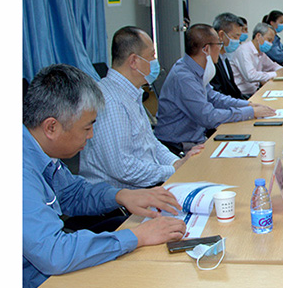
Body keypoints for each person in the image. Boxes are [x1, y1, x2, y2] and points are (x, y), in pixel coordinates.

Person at [23, 64, 187, 288]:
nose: (91, 135)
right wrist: (138, 236)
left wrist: (121, 195)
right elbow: (54, 253)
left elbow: (71, 194)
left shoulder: (41, 151)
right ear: (51, 127)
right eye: (87, 127)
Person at [80, 26, 204, 189]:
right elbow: (124, 169)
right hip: (122, 198)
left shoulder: (131, 93)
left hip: (147, 184)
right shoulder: (110, 101)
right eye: (152, 55)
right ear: (134, 61)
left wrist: (177, 163)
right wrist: (171, 170)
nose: (155, 61)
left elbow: (150, 143)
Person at [154, 23, 276, 153]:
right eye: (219, 44)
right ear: (206, 49)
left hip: (196, 139)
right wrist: (250, 112)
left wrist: (248, 105)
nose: (220, 48)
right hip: (180, 145)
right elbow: (208, 117)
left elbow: (214, 98)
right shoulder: (184, 77)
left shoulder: (195, 69)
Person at [228, 22, 283, 97]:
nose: (270, 44)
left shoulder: (260, 52)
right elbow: (251, 76)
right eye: (269, 40)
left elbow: (272, 65)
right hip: (242, 95)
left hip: (254, 91)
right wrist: (276, 74)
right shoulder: (244, 51)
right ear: (258, 36)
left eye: (272, 41)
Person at [209, 13, 247, 99]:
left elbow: (233, 90)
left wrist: (248, 103)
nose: (238, 41)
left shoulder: (224, 57)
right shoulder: (212, 60)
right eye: (235, 37)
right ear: (221, 35)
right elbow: (218, 95)